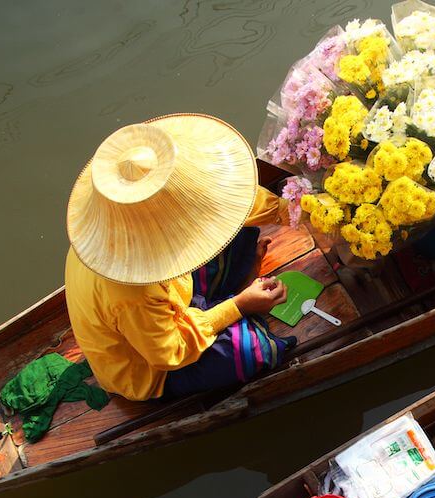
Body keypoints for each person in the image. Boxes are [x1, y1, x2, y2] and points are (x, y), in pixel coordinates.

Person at [63, 114, 294, 402]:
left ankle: (222, 301)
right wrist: (239, 306)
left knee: (232, 225)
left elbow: (224, 199)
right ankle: (230, 302)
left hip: (173, 299)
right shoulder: (131, 288)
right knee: (253, 351)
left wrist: (292, 211)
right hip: (152, 365)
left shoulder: (105, 226)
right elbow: (169, 352)